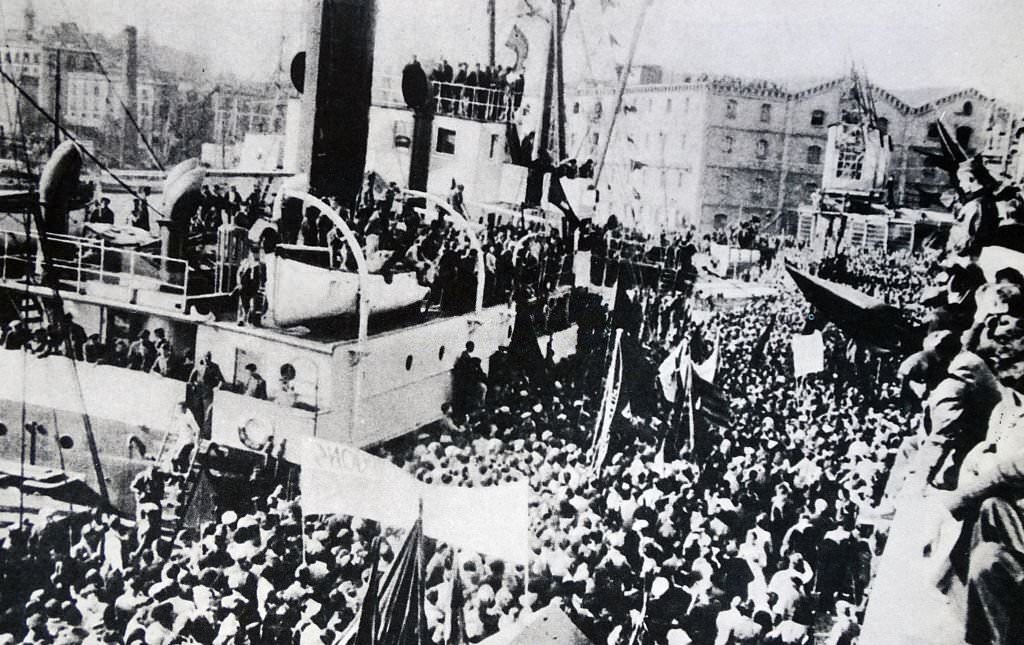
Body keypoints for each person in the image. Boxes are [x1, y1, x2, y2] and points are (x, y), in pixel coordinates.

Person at [237, 247, 265, 326]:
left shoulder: (260, 265)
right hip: (244, 285)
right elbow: (239, 273)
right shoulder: (245, 262)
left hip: (254, 286)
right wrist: (239, 283)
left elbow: (261, 277)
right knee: (243, 302)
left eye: (256, 254)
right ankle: (242, 318)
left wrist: (261, 286)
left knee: (252, 303)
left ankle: (249, 318)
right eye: (252, 253)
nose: (253, 256)